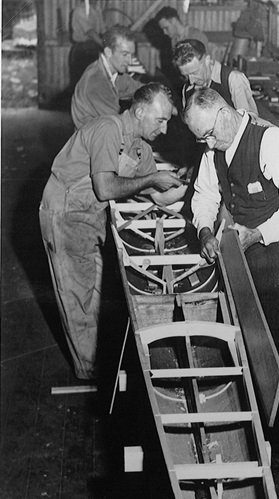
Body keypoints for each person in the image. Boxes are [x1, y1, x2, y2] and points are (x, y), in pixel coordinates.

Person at [182, 88, 279, 460]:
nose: (205, 144)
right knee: (246, 340)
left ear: (224, 114)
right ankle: (254, 432)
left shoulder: (273, 142)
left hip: (274, 251)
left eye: (207, 134)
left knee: (277, 347)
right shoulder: (214, 149)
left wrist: (257, 234)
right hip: (238, 251)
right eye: (200, 138)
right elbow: (204, 196)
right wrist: (205, 230)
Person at [39, 83, 188, 380]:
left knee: (92, 292)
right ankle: (90, 374)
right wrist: (151, 180)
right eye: (160, 120)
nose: (165, 129)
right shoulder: (108, 129)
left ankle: (93, 366)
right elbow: (105, 187)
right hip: (66, 212)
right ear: (140, 111)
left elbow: (158, 197)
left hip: (90, 215)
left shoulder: (140, 146)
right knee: (78, 297)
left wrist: (185, 186)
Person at [71, 25, 144, 130]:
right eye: (125, 54)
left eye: (131, 55)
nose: (130, 61)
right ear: (108, 52)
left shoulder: (111, 71)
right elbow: (118, 127)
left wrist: (158, 94)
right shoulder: (97, 81)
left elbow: (133, 87)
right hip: (92, 142)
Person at [173, 39, 258, 116]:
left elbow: (250, 123)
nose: (191, 81)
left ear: (207, 61)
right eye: (186, 75)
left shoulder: (233, 79)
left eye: (195, 73)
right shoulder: (187, 89)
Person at [69, 0, 105, 88]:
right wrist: (105, 45)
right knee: (82, 86)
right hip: (82, 52)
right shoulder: (79, 10)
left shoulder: (97, 10)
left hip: (95, 50)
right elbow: (90, 32)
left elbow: (103, 30)